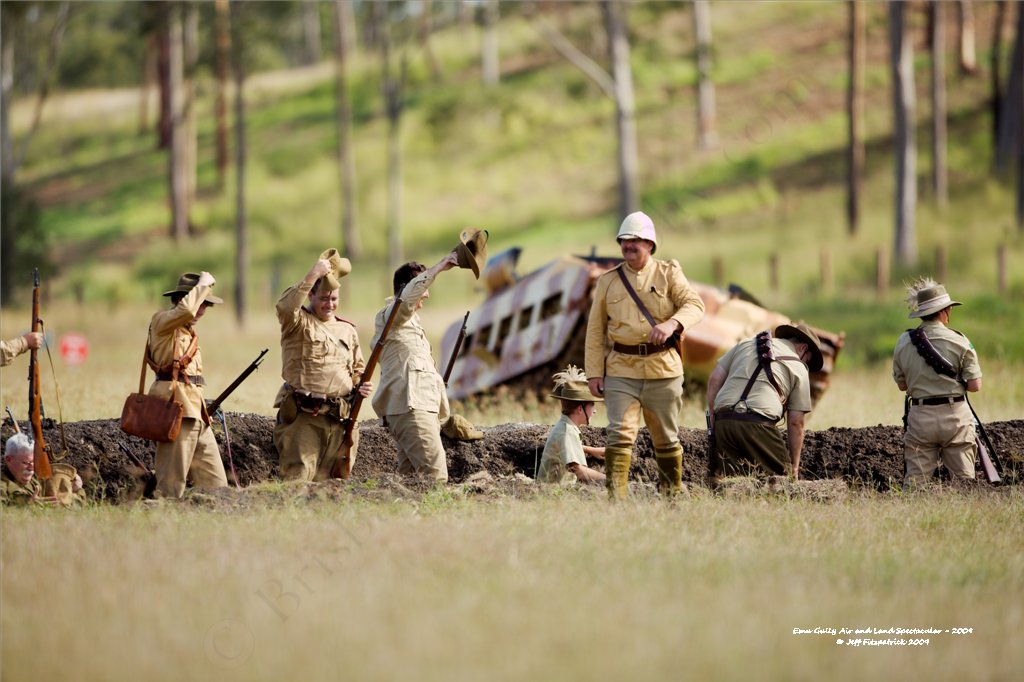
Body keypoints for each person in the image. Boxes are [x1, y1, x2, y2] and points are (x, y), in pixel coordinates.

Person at [585, 211, 706, 500]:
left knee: (665, 437)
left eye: (635, 240)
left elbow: (695, 304)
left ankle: (671, 499)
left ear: (649, 244)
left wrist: (672, 324)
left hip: (663, 370)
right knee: (618, 435)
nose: (629, 246)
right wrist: (593, 373)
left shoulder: (668, 273)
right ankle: (616, 502)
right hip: (621, 370)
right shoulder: (608, 281)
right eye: (624, 241)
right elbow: (595, 331)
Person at [372, 253, 482, 482]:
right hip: (411, 409)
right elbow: (407, 300)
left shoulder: (409, 322)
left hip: (416, 407)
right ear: (409, 288)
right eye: (423, 286)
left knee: (411, 481)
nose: (428, 294)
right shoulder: (390, 316)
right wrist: (438, 268)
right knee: (436, 478)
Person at [274, 250, 371, 481]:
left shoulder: (347, 329)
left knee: (336, 487)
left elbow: (357, 368)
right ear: (311, 296)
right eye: (324, 298)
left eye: (334, 299)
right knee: (297, 483)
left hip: (340, 419)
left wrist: (361, 386)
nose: (330, 304)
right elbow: (285, 307)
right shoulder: (297, 322)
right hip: (305, 418)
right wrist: (313, 274)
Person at [706, 322, 824, 485]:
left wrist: (713, 415)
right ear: (803, 348)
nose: (806, 366)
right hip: (758, 426)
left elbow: (715, 378)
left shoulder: (745, 343)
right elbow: (796, 422)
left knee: (730, 482)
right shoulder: (799, 367)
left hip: (723, 423)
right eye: (808, 361)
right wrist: (794, 467)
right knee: (782, 482)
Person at [892, 278, 982, 486]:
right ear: (944, 311)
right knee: (964, 484)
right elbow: (975, 386)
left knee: (915, 485)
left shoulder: (904, 342)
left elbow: (902, 385)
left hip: (921, 417)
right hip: (955, 417)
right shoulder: (960, 340)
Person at [148, 272, 228, 499]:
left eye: (205, 306)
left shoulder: (187, 331)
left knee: (218, 487)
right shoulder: (162, 321)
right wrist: (203, 284)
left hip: (196, 414)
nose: (201, 311)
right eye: (201, 303)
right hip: (175, 412)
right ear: (184, 299)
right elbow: (187, 311)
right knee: (170, 489)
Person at [536, 366, 606, 485]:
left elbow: (564, 447)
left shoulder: (565, 426)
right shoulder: (567, 431)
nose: (594, 411)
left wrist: (591, 450)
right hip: (552, 494)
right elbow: (578, 471)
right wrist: (611, 479)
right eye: (592, 406)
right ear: (580, 409)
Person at [1, 433, 84, 506]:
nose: (31, 468)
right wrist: (27, 505)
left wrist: (77, 489)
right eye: (26, 463)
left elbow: (70, 506)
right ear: (8, 459)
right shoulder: (3, 485)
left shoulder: (35, 480)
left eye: (33, 462)